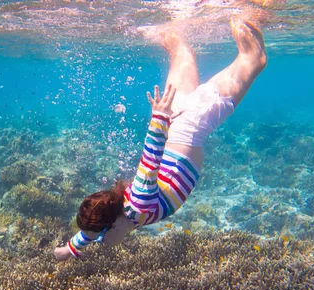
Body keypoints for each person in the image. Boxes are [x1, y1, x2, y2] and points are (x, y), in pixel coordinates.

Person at [54, 17, 267, 261]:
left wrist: (159, 119)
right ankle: (171, 19)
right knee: (179, 49)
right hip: (177, 125)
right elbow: (89, 233)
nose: (99, 243)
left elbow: (149, 162)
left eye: (99, 238)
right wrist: (69, 250)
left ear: (112, 226)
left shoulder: (138, 206)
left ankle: (242, 12)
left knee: (253, 60)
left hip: (188, 127)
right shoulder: (115, 214)